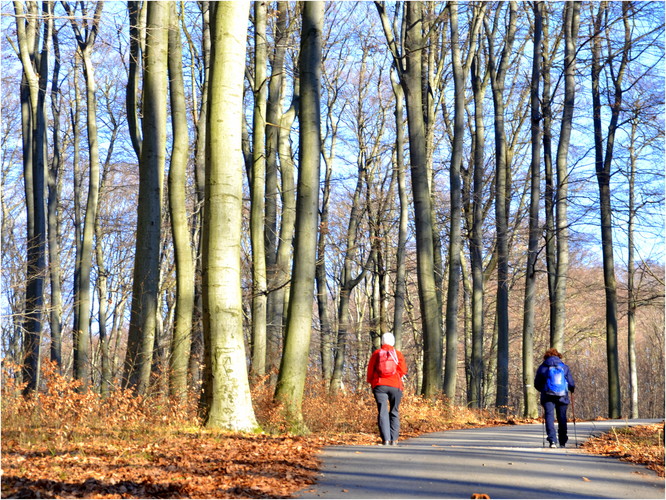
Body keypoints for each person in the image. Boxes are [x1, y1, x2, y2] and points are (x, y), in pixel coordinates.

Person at [366, 332, 407, 446]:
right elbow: (403, 370)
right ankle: (394, 440)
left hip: (380, 385)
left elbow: (370, 371)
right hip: (395, 385)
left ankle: (386, 440)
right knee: (394, 411)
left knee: (382, 411)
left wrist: (372, 383)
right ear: (393, 342)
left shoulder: (377, 353)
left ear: (382, 342)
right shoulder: (398, 354)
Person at [534, 348, 576, 448]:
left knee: (549, 417)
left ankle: (552, 440)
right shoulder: (564, 367)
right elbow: (571, 383)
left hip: (547, 396)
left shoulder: (543, 367)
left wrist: (542, 390)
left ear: (546, 357)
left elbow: (537, 384)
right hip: (562, 396)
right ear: (558, 356)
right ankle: (562, 441)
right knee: (562, 418)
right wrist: (572, 389)